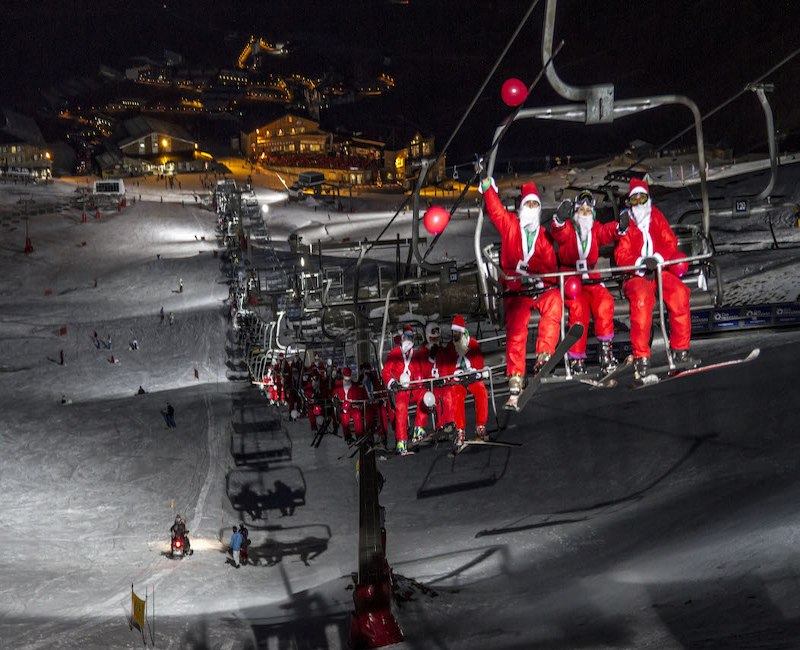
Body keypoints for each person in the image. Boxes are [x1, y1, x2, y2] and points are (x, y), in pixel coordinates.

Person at [480, 178, 562, 409]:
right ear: (521, 208)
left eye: (535, 206)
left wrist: (541, 281)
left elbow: (550, 268)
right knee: (517, 323)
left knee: (555, 301)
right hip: (517, 290)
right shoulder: (510, 226)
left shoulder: (544, 237)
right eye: (528, 206)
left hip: (538, 288)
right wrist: (487, 187)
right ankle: (515, 375)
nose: (531, 210)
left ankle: (544, 354)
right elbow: (495, 210)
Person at [614, 178, 696, 380]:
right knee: (642, 301)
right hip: (636, 276)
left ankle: (680, 350)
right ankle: (642, 356)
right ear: (629, 203)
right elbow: (621, 255)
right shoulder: (626, 223)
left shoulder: (656, 217)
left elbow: (670, 241)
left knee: (679, 293)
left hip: (660, 271)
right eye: (635, 200)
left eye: (642, 198)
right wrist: (641, 264)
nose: (639, 204)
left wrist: (658, 259)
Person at [551, 189, 628, 375]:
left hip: (591, 279)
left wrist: (619, 227)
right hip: (572, 280)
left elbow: (606, 232)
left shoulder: (594, 230)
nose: (584, 213)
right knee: (579, 311)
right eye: (581, 210)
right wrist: (559, 219)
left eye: (587, 211)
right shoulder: (569, 231)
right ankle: (577, 359)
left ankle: (606, 352)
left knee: (604, 303)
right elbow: (558, 233)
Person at [437, 315, 489, 447]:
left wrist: (475, 373)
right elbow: (446, 367)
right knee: (457, 396)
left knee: (481, 391)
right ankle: (460, 430)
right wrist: (453, 375)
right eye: (453, 332)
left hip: (472, 377)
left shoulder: (472, 344)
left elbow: (479, 362)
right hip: (458, 380)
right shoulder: (450, 347)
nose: (454, 334)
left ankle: (480, 426)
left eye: (457, 332)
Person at [381, 324, 430, 455]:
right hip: (401, 390)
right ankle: (401, 440)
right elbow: (386, 371)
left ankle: (418, 428)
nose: (408, 340)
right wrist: (392, 383)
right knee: (401, 407)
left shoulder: (416, 355)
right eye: (406, 337)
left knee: (425, 396)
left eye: (410, 337)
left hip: (414, 388)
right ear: (402, 338)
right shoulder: (394, 354)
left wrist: (426, 378)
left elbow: (423, 370)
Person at [332, 366, 368, 443]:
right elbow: (334, 396)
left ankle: (359, 435)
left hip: (352, 406)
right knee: (344, 416)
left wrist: (356, 403)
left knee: (357, 415)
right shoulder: (338, 385)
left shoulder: (354, 386)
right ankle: (348, 436)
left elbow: (358, 397)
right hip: (343, 406)